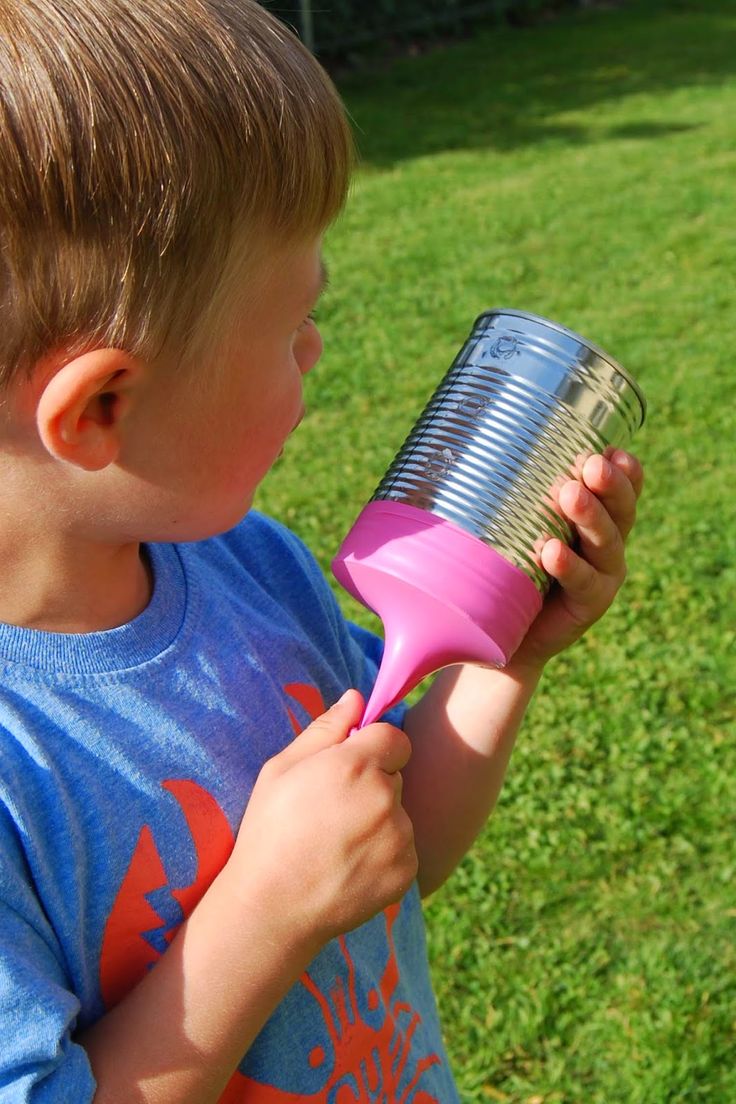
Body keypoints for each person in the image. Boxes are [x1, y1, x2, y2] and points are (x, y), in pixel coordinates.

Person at [0, 1, 644, 1101]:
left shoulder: (252, 570)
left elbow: (387, 861)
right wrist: (265, 913)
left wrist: (504, 661)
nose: (317, 349)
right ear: (102, 404)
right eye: (288, 325)